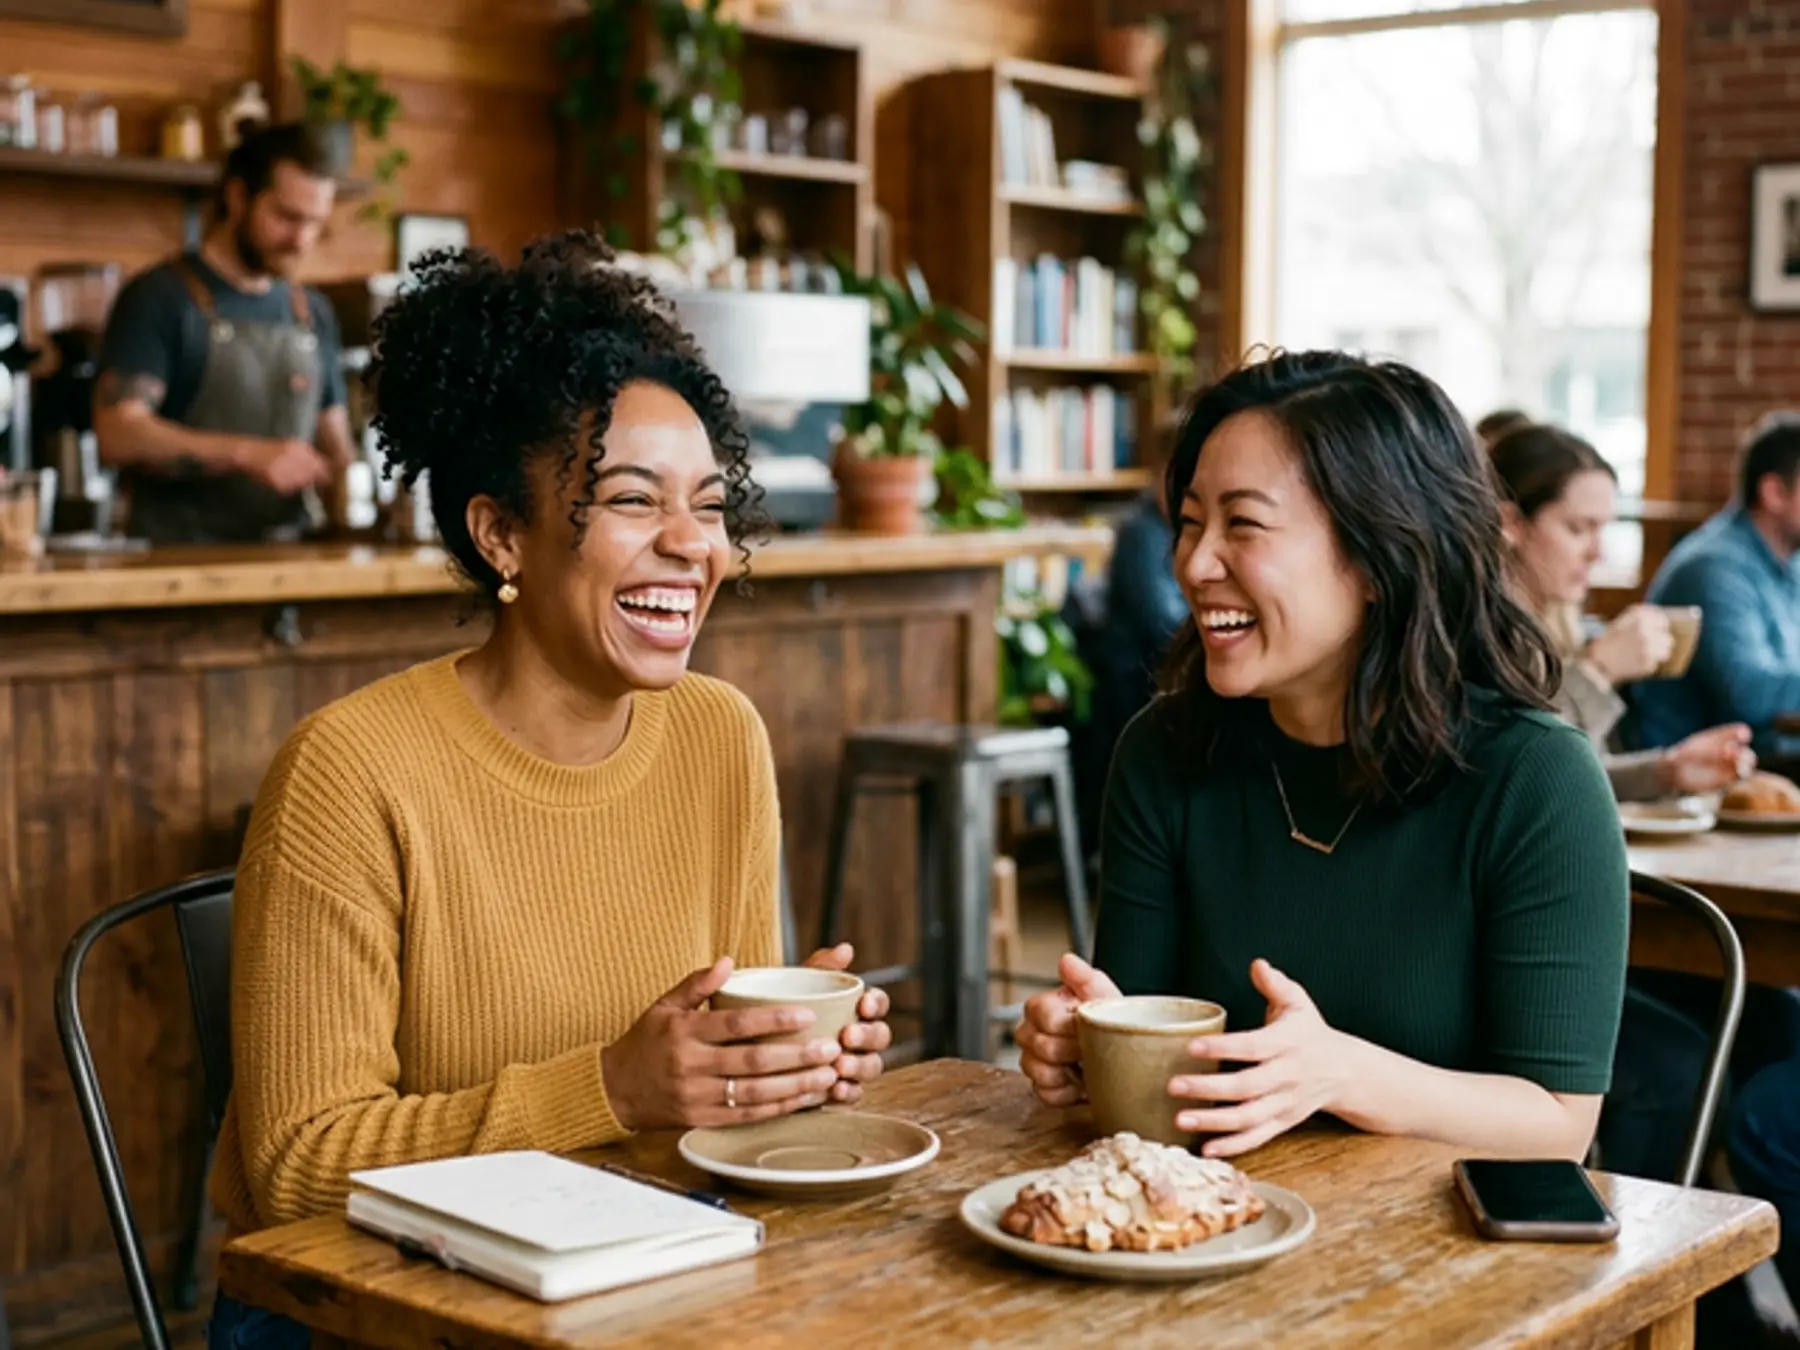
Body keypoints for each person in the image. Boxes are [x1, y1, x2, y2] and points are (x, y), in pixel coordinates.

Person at [206, 231, 891, 1350]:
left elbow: (695, 1097)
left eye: (710, 507)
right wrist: (610, 1088)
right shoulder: (350, 773)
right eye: (632, 501)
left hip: (631, 1266)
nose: (691, 547)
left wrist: (780, 1066)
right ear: (501, 534)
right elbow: (294, 1173)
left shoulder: (721, 736)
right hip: (361, 1312)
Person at [1016, 350, 1628, 1163]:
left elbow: (1557, 1121)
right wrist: (1085, 1049)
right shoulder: (1165, 753)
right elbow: (1148, 1050)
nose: (1195, 565)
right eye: (1191, 522)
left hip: (1455, 1255)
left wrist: (1342, 1074)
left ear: (1380, 556)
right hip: (1220, 1230)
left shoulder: (1535, 777)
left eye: (1244, 524)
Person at [93, 122, 354, 543]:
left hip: (290, 559)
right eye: (287, 217)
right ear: (237, 197)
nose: (301, 240)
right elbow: (118, 432)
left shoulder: (311, 312)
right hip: (175, 563)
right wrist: (248, 454)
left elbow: (336, 446)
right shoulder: (161, 297)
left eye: (316, 224)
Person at [1489, 422, 1754, 801]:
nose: (1599, 553)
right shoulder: (1482, 632)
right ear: (1511, 523)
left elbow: (1584, 774)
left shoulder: (1556, 622)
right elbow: (1531, 781)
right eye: (1579, 528)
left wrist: (1668, 770)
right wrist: (1598, 671)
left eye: (1603, 531)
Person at [1631, 415, 1800, 758]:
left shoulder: (1786, 563)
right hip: (1691, 784)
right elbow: (1749, 693)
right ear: (1774, 493)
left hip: (1760, 761)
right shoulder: (1714, 568)